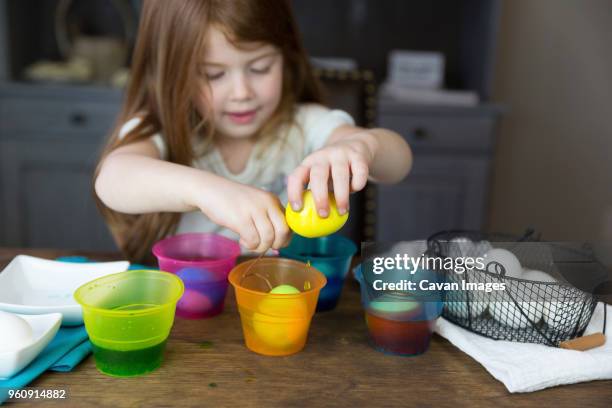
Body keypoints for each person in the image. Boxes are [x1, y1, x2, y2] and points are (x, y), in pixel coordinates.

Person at [94, 0, 413, 263]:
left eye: (260, 68)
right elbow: (113, 178)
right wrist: (208, 191)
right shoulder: (164, 128)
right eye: (213, 74)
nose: (241, 92)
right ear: (173, 74)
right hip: (184, 315)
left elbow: (399, 162)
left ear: (286, 59)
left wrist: (360, 147)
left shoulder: (303, 126)